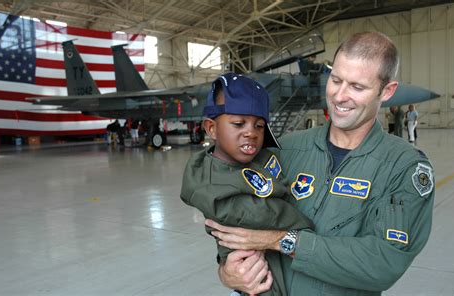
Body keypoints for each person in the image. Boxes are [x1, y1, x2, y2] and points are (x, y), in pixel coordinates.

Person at [206, 32, 435, 295]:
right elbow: (234, 211)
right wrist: (228, 271)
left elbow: (383, 261)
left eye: (357, 87)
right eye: (335, 80)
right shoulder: (283, 148)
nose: (339, 96)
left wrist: (283, 241)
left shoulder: (404, 167)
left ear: (387, 91)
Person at [180, 73, 313, 296]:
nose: (251, 132)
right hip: (251, 267)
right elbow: (258, 215)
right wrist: (303, 227)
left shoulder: (258, 157)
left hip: (275, 253)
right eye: (238, 123)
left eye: (259, 126)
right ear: (212, 128)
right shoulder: (208, 181)